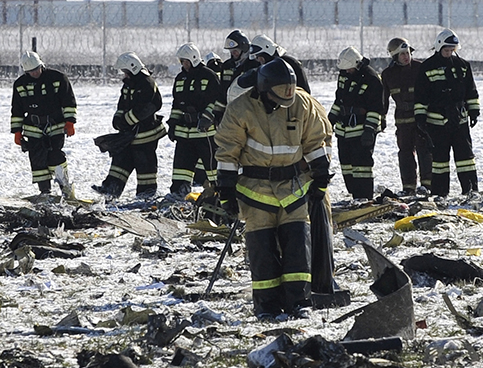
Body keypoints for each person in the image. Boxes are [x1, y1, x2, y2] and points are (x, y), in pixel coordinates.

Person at [215, 59, 333, 319]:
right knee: (262, 251)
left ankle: (299, 302)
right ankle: (266, 306)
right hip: (255, 192)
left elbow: (317, 141)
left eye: (291, 90)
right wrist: (225, 190)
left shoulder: (303, 104)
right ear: (266, 88)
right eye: (282, 92)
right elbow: (227, 150)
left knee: (297, 249)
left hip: (294, 189)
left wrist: (321, 177)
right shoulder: (241, 109)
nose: (288, 97)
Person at [414, 29, 481, 198]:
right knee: (440, 160)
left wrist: (474, 111)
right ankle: (440, 192)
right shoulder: (427, 67)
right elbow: (420, 96)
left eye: (452, 50)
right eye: (446, 50)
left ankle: (470, 190)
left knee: (465, 158)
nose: (449, 53)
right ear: (438, 47)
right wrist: (420, 119)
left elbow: (471, 91)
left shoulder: (463, 66)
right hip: (437, 122)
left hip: (459, 120)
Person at [92, 52, 165, 200]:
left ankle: (146, 194)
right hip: (131, 134)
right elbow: (122, 104)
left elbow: (149, 107)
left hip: (146, 134)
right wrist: (118, 118)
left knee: (145, 164)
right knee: (121, 159)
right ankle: (110, 189)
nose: (123, 75)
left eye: (125, 72)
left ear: (133, 68)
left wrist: (126, 120)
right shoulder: (128, 84)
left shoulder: (147, 84)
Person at [10, 50, 77, 199]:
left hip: (56, 125)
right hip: (32, 128)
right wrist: (17, 132)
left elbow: (69, 101)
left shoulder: (58, 78)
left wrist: (70, 122)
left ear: (41, 64)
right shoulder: (20, 84)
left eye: (36, 69)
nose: (34, 73)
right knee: (37, 159)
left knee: (55, 156)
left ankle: (65, 188)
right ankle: (45, 192)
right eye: (30, 71)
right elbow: (17, 109)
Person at [167, 43, 224, 198]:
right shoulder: (180, 78)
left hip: (204, 134)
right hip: (184, 135)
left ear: (194, 59)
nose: (183, 65)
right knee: (181, 168)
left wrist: (206, 117)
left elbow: (217, 100)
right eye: (181, 61)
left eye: (185, 61)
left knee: (213, 168)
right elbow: (177, 104)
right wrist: (173, 123)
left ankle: (220, 195)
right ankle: (178, 194)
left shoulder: (209, 76)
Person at [329, 46, 384, 201]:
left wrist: (369, 130)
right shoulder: (344, 74)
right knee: (346, 165)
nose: (347, 72)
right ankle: (354, 195)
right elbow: (338, 101)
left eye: (349, 69)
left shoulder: (371, 78)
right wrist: (329, 120)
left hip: (361, 130)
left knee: (362, 166)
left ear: (358, 64)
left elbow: (376, 108)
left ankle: (364, 196)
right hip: (343, 129)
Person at [381, 37, 431, 196]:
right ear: (394, 56)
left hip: (422, 118)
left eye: (407, 52)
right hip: (402, 120)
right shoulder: (388, 74)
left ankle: (427, 186)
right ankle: (409, 187)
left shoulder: (420, 68)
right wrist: (381, 119)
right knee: (405, 153)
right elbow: (383, 100)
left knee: (425, 150)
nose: (405, 56)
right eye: (402, 54)